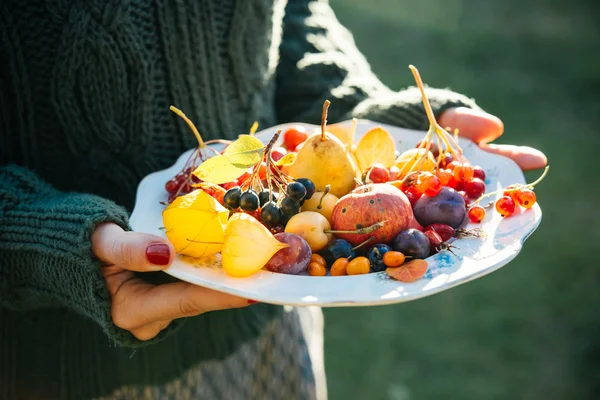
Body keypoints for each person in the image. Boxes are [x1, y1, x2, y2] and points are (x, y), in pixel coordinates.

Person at [0, 1, 547, 399]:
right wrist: (47, 243)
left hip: (270, 311)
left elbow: (293, 17)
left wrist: (361, 113)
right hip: (68, 363)